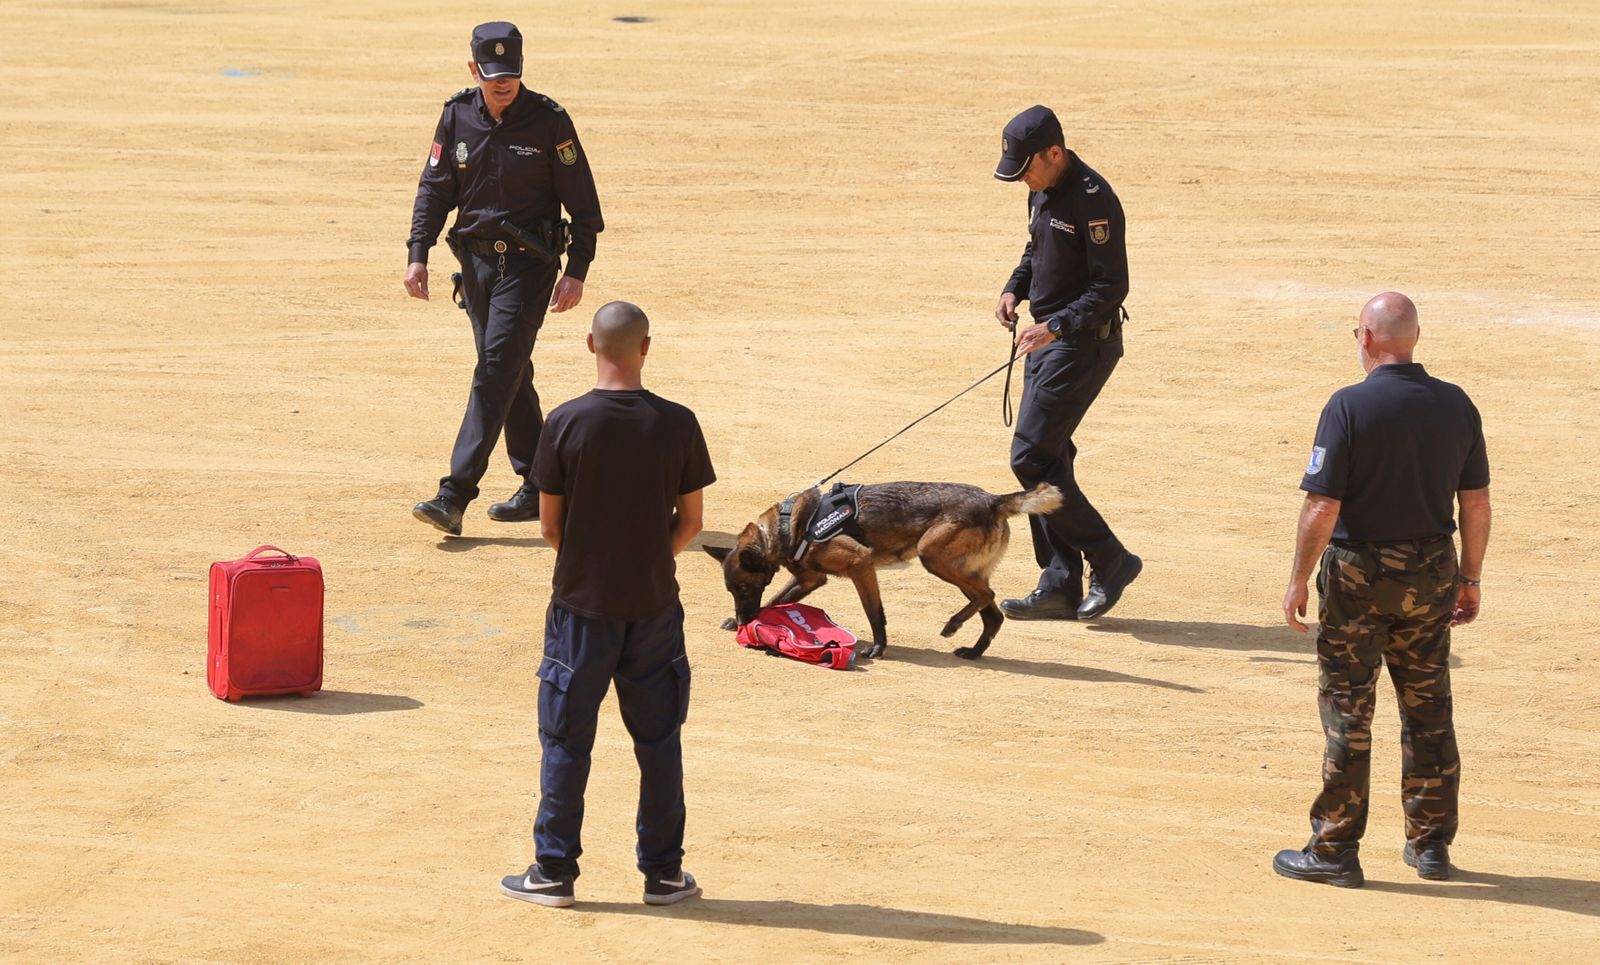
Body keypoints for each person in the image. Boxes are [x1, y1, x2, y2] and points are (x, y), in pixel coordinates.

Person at [500, 301, 716, 908]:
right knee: (659, 743)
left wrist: (589, 565)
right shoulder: (679, 423)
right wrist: (651, 556)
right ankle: (664, 873)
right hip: (653, 607)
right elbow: (692, 522)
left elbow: (549, 527)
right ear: (646, 347)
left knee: (567, 741)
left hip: (580, 610)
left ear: (591, 344)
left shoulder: (565, 423)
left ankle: (554, 871)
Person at [1275, 292, 1491, 888]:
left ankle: (1335, 850)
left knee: (1349, 710)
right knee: (1428, 708)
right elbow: (1474, 502)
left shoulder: (1348, 405)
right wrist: (1469, 577)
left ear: (1366, 338)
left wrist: (1298, 578)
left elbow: (1323, 504)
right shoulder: (1456, 405)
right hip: (1431, 570)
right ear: (1413, 338)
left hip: (1358, 575)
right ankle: (1430, 847)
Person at [405, 21, 604, 537]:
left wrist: (576, 271)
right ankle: (542, 487)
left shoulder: (548, 122)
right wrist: (418, 253)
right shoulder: (455, 117)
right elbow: (434, 189)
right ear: (474, 69)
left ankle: (455, 493)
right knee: (509, 373)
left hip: (528, 266)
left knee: (495, 369)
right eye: (493, 76)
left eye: (510, 76)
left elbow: (584, 205)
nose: (502, 85)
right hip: (473, 266)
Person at [991, 105, 1142, 622]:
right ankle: (1059, 581)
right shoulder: (1042, 187)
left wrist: (1056, 325)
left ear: (1054, 153)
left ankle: (1110, 558)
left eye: (1027, 167)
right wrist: (1016, 288)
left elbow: (1110, 286)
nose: (1023, 180)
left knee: (1031, 458)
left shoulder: (1093, 199)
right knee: (1050, 458)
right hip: (1045, 341)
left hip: (1081, 344)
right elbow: (1037, 251)